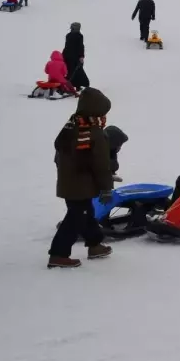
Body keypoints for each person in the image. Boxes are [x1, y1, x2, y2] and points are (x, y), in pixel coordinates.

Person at [47, 87, 115, 268]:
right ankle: (58, 254)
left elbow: (58, 155)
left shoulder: (72, 126)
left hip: (69, 181)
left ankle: (94, 245)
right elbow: (100, 165)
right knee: (76, 217)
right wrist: (106, 187)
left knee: (86, 213)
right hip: (80, 183)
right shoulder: (94, 132)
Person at [63, 22, 89, 90]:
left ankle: (69, 85)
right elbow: (80, 47)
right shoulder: (79, 36)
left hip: (67, 56)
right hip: (76, 57)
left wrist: (63, 55)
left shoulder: (68, 35)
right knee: (78, 71)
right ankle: (78, 86)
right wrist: (81, 56)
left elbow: (66, 46)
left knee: (70, 71)